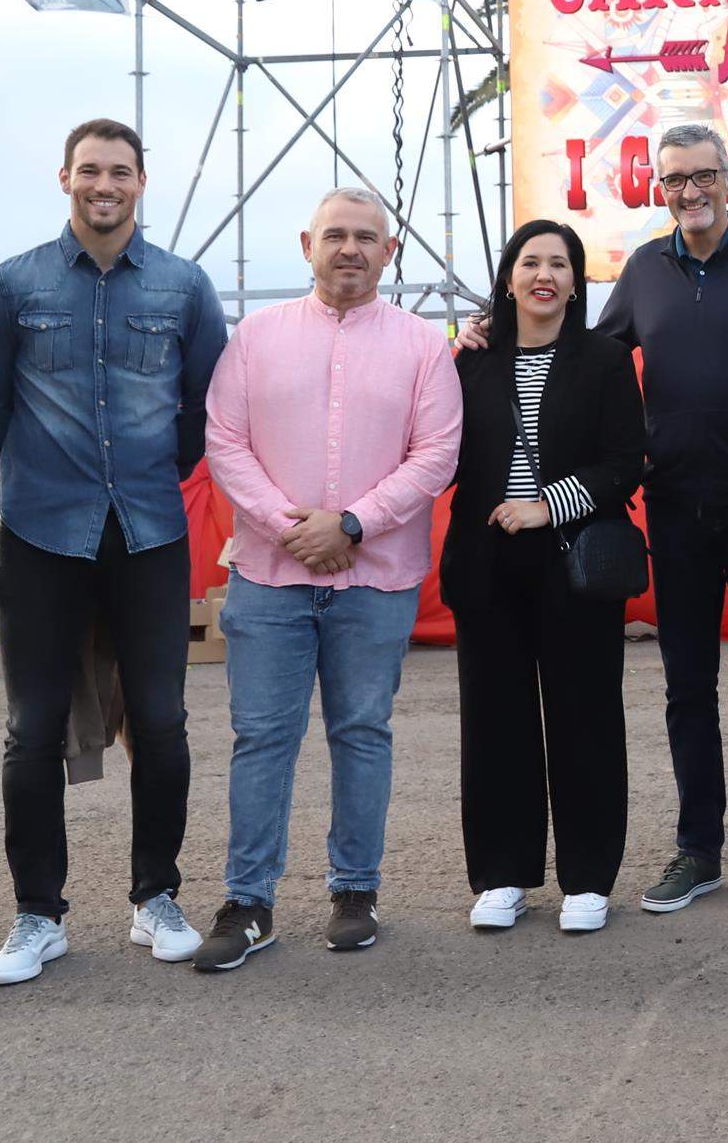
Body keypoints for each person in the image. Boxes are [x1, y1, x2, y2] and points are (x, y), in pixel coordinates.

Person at [464, 122, 728, 915]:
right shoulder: (643, 268)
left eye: (703, 176)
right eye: (673, 180)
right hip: (673, 511)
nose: (688, 191)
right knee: (686, 686)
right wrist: (493, 332)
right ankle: (698, 850)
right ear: (657, 187)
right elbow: (580, 354)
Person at [0, 119, 229, 984]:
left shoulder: (185, 287)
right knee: (32, 728)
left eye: (119, 171)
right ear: (64, 178)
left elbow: (201, 410)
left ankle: (156, 896)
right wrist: (40, 477)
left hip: (150, 532)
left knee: (161, 721)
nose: (103, 184)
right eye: (89, 170)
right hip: (43, 532)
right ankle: (37, 914)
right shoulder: (15, 283)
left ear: (141, 181)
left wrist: (153, 475)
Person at [193, 187, 461, 971]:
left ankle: (356, 888)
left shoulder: (421, 346)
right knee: (262, 737)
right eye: (335, 235)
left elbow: (436, 453)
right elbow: (225, 443)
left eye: (366, 237)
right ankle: (248, 900)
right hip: (270, 575)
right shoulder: (255, 338)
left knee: (361, 733)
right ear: (307, 242)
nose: (350, 248)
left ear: (391, 250)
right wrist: (292, 526)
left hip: (376, 576)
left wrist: (350, 523)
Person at [444, 219, 646, 936]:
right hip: (486, 565)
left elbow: (626, 459)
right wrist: (453, 342)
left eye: (560, 263)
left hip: (573, 560)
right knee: (494, 722)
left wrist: (545, 506)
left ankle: (587, 877)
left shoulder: (603, 358)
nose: (544, 274)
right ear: (507, 276)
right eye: (530, 261)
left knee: (585, 716)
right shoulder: (468, 359)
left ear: (575, 280)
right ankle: (502, 874)